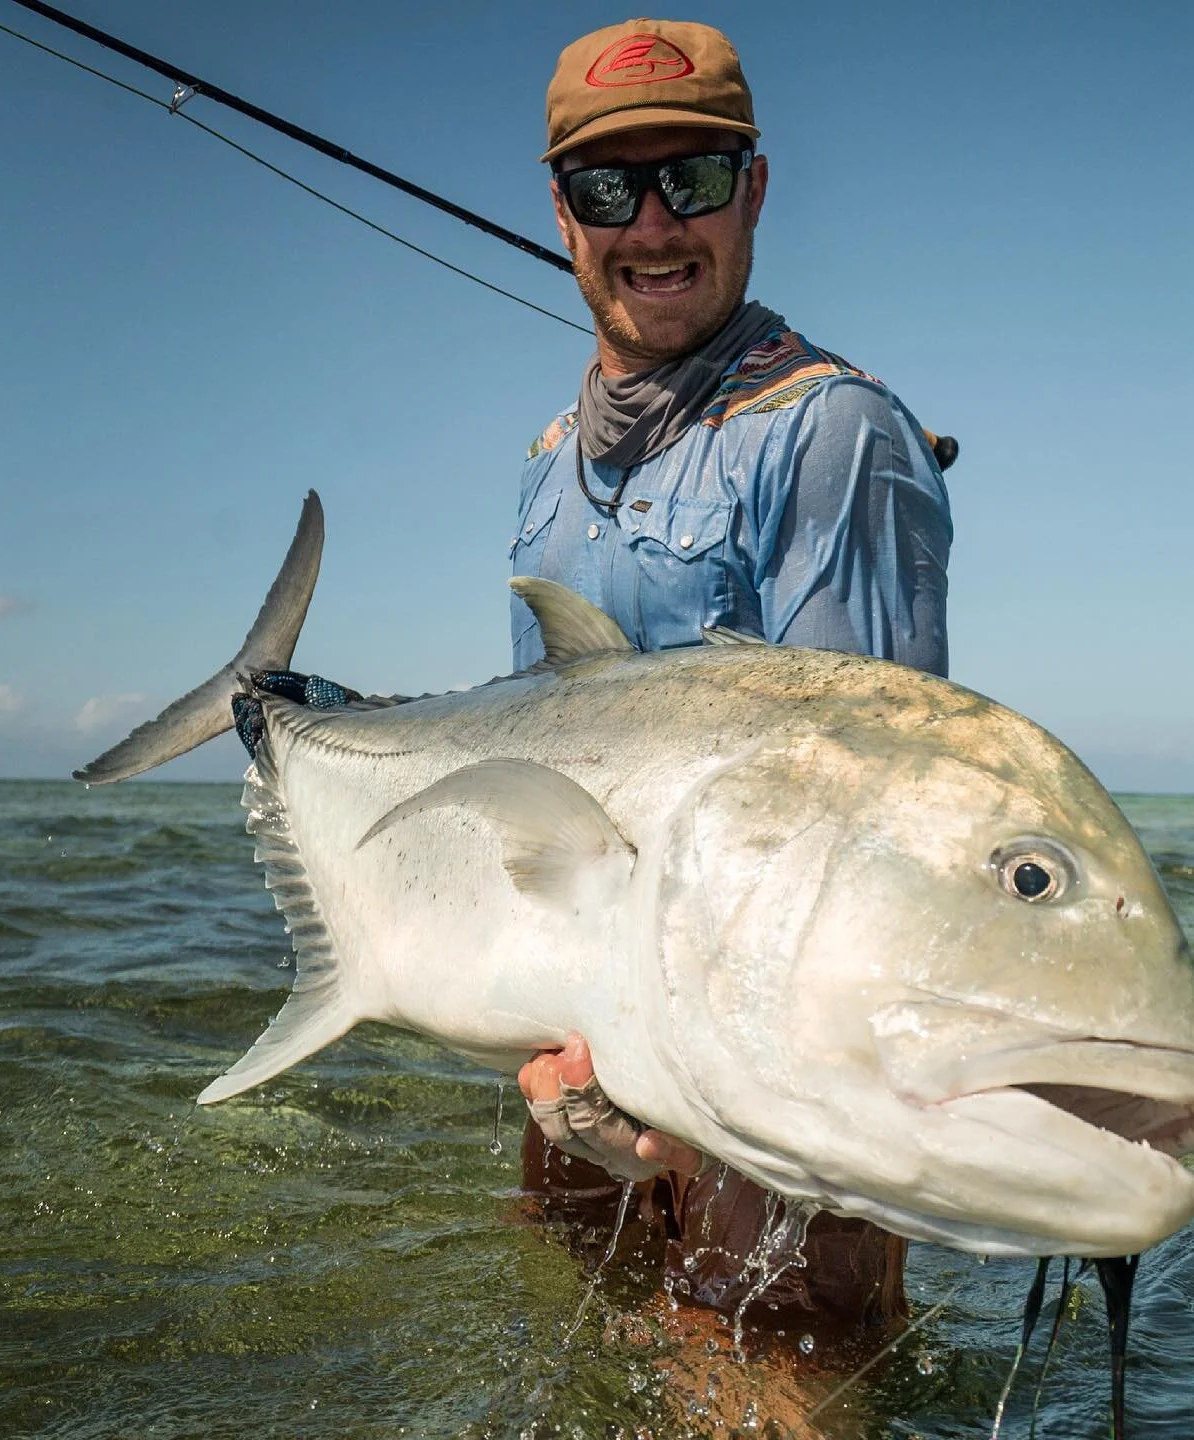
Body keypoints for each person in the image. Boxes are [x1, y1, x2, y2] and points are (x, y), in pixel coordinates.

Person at [511, 18, 955, 1332]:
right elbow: (540, 789)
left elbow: (853, 850)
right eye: (608, 188)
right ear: (562, 210)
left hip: (772, 1092)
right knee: (581, 1358)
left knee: (770, 1382)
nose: (652, 226)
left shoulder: (831, 433)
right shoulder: (545, 460)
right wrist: (565, 1053)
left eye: (691, 179)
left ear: (752, 188)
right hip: (589, 1058)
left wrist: (705, 1099)